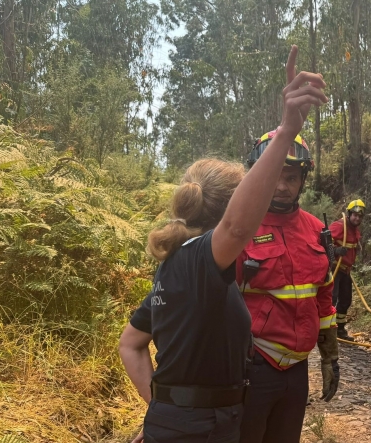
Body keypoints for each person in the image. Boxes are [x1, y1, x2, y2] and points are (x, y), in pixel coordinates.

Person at [117, 45, 328, 443]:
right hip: (199, 427)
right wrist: (286, 130)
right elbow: (234, 229)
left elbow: (130, 343)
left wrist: (162, 410)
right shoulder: (199, 260)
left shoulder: (178, 265)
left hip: (202, 420)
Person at [236, 130, 341, 443]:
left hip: (296, 371)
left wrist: (329, 357)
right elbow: (214, 304)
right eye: (274, 175)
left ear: (302, 180)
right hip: (252, 368)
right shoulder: (238, 228)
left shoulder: (316, 230)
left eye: (292, 177)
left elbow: (324, 298)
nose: (282, 186)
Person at [330, 199, 365, 341]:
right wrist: (336, 250)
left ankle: (340, 329)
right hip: (334, 268)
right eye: (354, 215)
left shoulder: (355, 231)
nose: (356, 218)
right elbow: (322, 244)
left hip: (346, 271)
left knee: (345, 300)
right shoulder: (339, 226)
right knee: (331, 298)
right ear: (349, 214)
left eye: (359, 216)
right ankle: (326, 329)